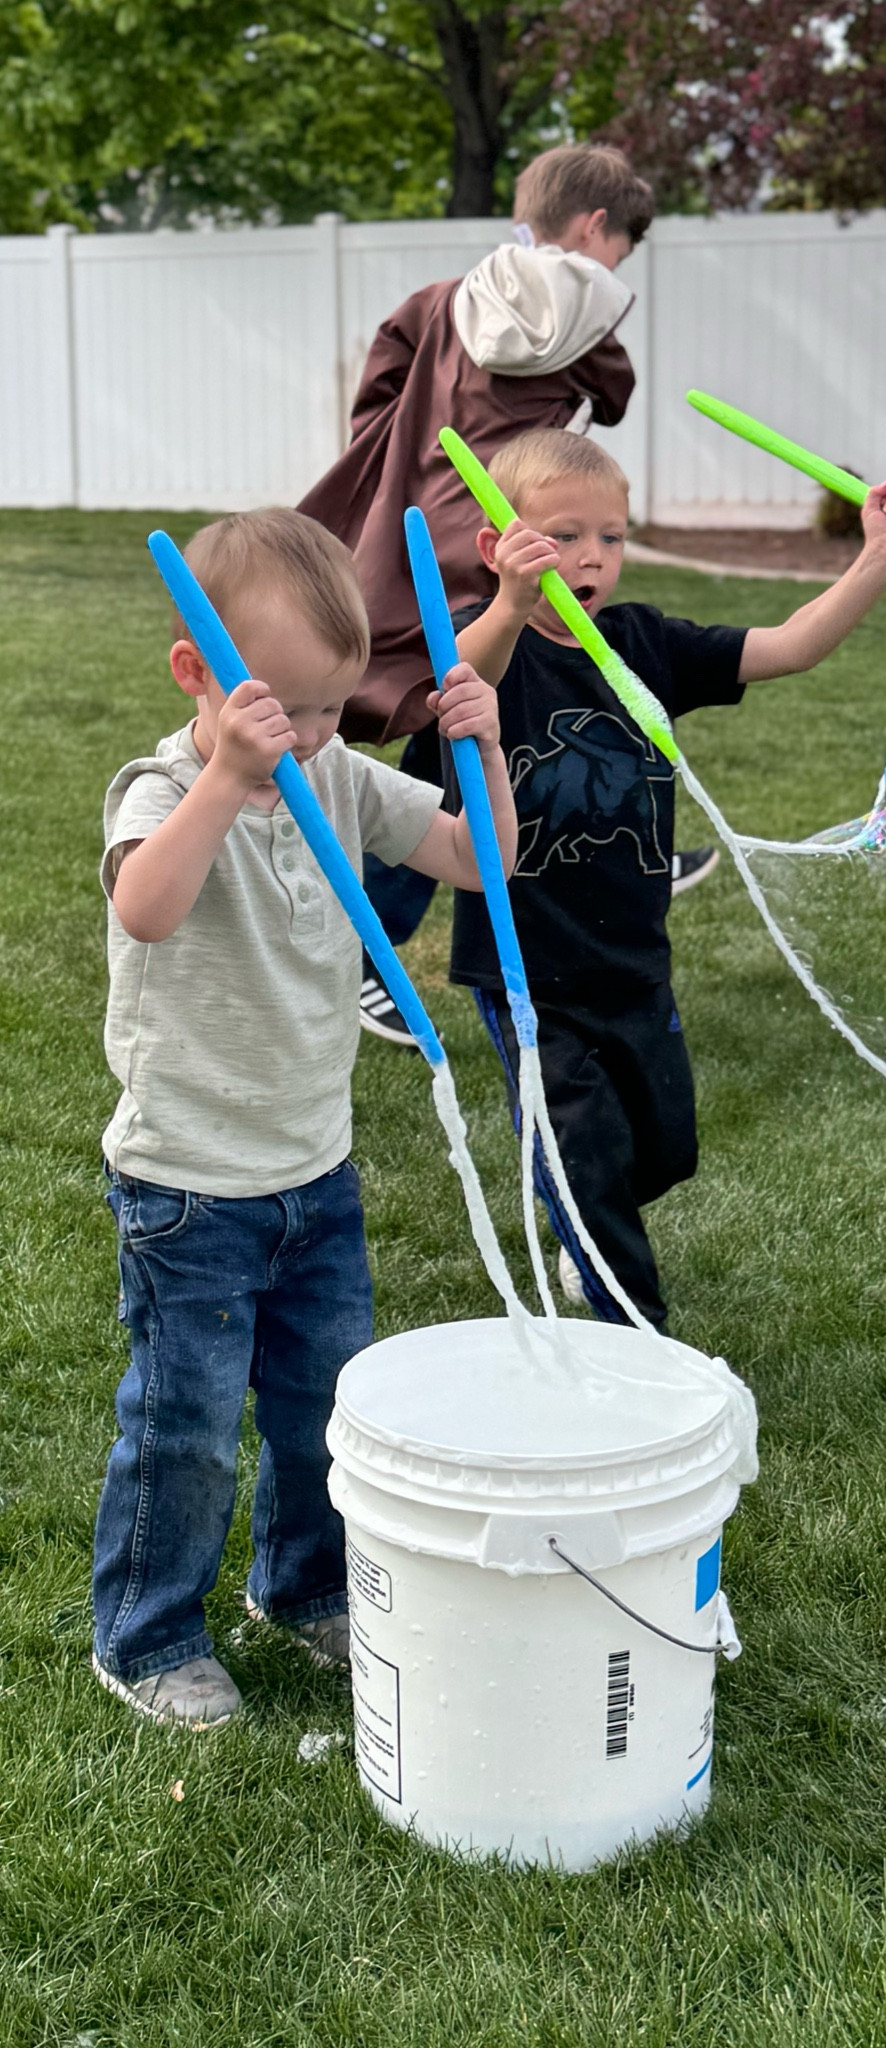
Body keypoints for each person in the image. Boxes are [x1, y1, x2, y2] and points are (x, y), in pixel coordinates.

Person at [93, 509, 516, 1730]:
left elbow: (478, 861)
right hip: (187, 1186)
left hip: (314, 1171)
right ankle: (147, 1630)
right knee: (185, 1425)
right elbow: (148, 910)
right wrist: (230, 775)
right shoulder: (165, 785)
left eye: (336, 705)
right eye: (288, 705)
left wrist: (479, 754)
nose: (316, 733)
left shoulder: (333, 769)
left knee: (323, 1406)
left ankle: (306, 1584)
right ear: (200, 677)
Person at [450, 429, 886, 1332]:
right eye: (562, 536)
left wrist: (876, 559)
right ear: (502, 547)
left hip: (632, 958)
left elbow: (786, 647)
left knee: (660, 1150)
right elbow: (456, 676)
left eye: (611, 537)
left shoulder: (642, 645)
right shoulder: (488, 651)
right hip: (528, 972)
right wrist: (510, 603)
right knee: (582, 1150)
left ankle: (590, 1223)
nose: (591, 558)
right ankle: (639, 1332)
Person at [297, 143, 708, 1042]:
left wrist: (414, 445)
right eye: (619, 250)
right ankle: (370, 946)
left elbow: (379, 391)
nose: (613, 270)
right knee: (478, 717)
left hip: (438, 526)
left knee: (482, 707)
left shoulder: (441, 302)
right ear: (595, 226)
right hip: (511, 542)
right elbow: (615, 390)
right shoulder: (589, 307)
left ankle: (617, 838)